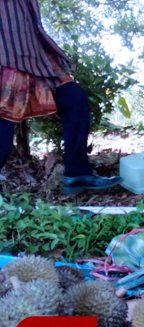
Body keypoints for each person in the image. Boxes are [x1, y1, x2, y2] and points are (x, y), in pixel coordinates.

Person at [0, 0, 122, 196]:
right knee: (4, 126)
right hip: (6, 59)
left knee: (75, 100)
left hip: (37, 57)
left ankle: (77, 173)